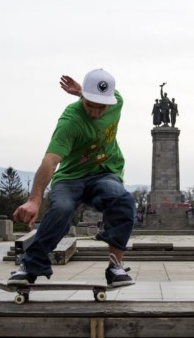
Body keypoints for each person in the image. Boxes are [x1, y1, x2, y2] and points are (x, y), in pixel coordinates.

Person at [9, 69, 135, 287]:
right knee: (61, 209)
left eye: (100, 107)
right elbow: (50, 161)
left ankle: (115, 267)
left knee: (122, 200)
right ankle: (29, 267)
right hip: (70, 177)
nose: (95, 113)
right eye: (89, 106)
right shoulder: (70, 121)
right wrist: (34, 200)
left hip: (104, 173)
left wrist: (81, 91)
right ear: (83, 100)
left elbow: (100, 99)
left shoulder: (118, 102)